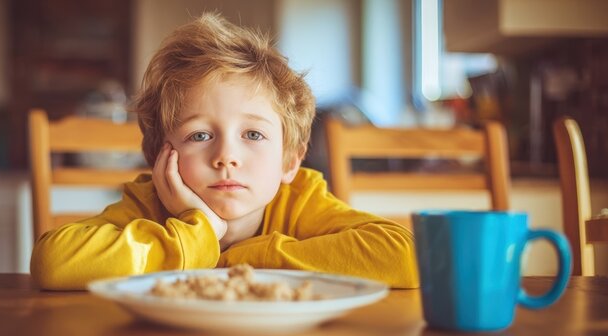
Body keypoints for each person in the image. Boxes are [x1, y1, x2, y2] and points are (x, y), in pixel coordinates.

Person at [30, 12, 418, 290]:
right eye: (199, 136)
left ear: (291, 160)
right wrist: (199, 233)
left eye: (252, 134)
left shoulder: (300, 199)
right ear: (160, 157)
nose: (225, 156)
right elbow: (52, 262)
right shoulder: (150, 203)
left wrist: (239, 258)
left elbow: (405, 256)